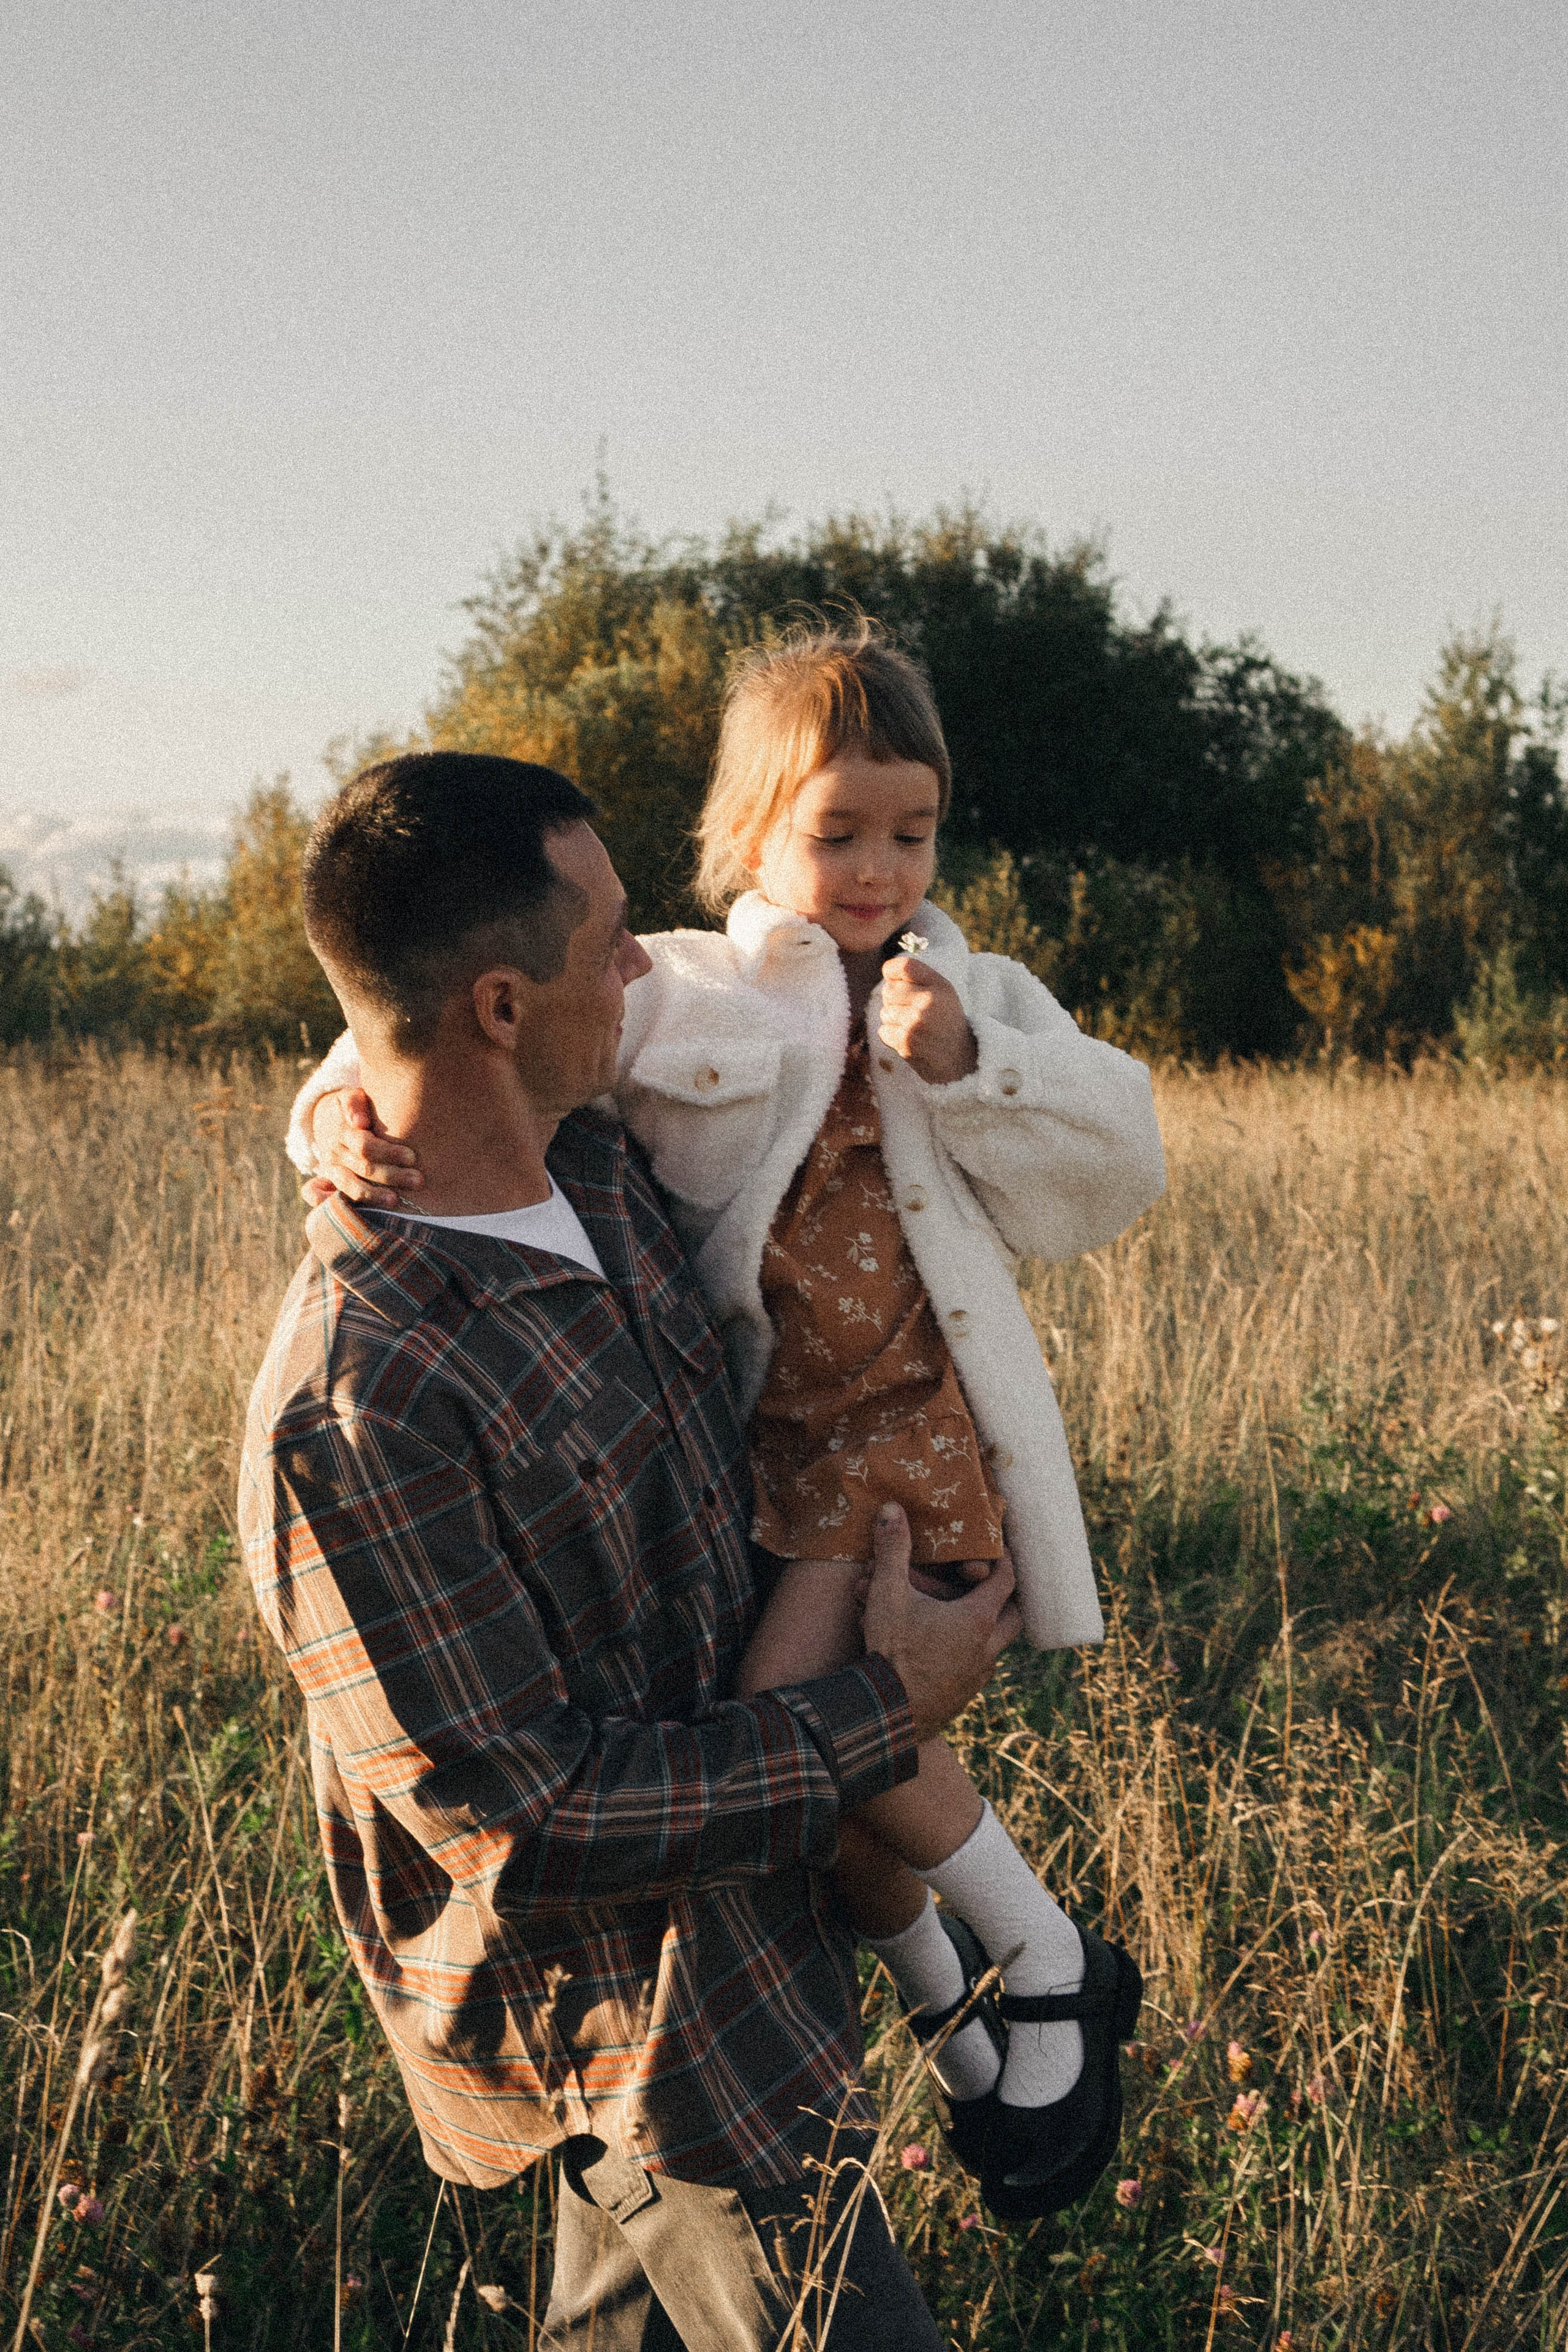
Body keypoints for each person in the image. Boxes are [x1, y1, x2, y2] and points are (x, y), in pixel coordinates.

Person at [293, 628, 1166, 2220]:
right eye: (837, 831)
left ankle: (1045, 1958)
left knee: (795, 1724)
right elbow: (416, 1028)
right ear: (752, 833)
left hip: (906, 1441)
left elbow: (1120, 1163)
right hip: (781, 1452)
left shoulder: (970, 991)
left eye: (913, 831)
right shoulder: (679, 984)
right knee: (818, 1804)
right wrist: (330, 1114)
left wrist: (973, 1074)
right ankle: (954, 2032)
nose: (878, 869)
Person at [243, 750, 1025, 2350]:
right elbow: (522, 1822)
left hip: (769, 1930)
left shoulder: (607, 1167)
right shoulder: (360, 1400)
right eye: (608, 938)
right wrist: (888, 1713)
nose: (647, 963)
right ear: (501, 1009)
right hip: (649, 2040)